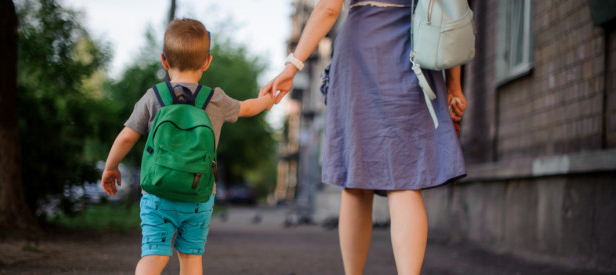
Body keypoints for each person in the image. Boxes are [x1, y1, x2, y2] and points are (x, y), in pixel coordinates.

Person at [261, 0, 467, 274]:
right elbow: (452, 10)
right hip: (414, 49)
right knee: (404, 180)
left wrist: (292, 66)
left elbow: (328, 9)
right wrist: (454, 84)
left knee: (356, 182)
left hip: (360, 49)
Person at [101, 18, 274, 275]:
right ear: (207, 61)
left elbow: (127, 136)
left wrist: (110, 167)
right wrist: (269, 99)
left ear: (164, 60)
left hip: (157, 193)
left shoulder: (154, 96)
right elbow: (248, 107)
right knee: (191, 258)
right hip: (199, 195)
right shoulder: (215, 99)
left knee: (154, 255)